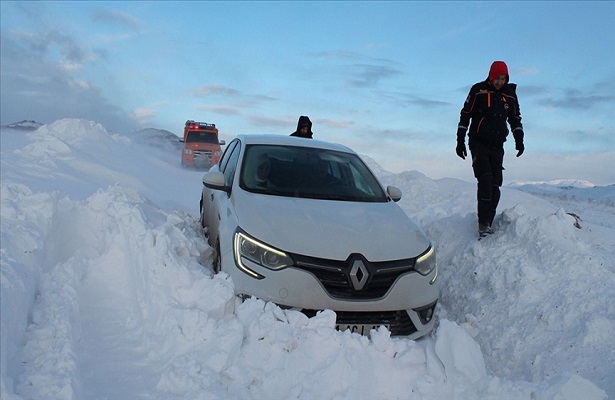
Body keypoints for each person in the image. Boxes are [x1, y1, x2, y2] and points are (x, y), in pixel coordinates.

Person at [456, 60, 525, 238]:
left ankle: (489, 220)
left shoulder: (509, 96)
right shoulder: (478, 90)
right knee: (485, 180)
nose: (500, 82)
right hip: (478, 143)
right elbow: (465, 114)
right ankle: (483, 224)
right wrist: (460, 140)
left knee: (495, 185)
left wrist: (519, 139)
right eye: (498, 78)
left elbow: (515, 119)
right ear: (491, 76)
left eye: (504, 79)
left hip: (497, 146)